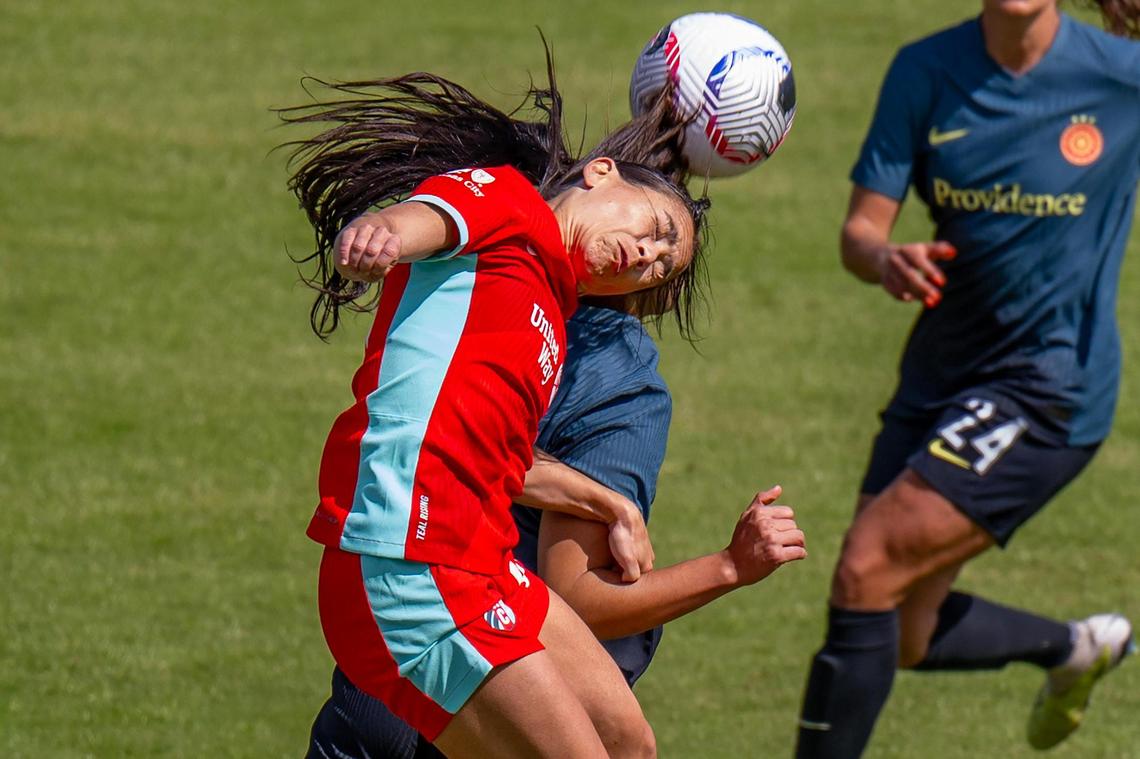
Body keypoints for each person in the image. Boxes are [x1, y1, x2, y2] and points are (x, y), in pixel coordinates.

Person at [280, 52, 797, 757]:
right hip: (408, 557)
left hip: (478, 558)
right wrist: (385, 233)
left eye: (658, 267)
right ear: (601, 174)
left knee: (627, 744)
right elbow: (434, 216)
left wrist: (610, 505)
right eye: (656, 231)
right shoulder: (510, 206)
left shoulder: (551, 320)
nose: (646, 255)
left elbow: (507, 463)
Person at [795, 1, 1140, 757]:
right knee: (903, 630)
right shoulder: (925, 70)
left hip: (1048, 388)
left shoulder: (1120, 77)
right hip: (939, 376)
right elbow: (860, 233)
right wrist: (884, 259)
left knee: (865, 566)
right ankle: (1076, 648)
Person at [305, 292, 806, 759]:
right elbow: (580, 596)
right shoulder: (619, 381)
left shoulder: (484, 303)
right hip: (490, 696)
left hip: (376, 659)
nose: (656, 254)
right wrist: (728, 567)